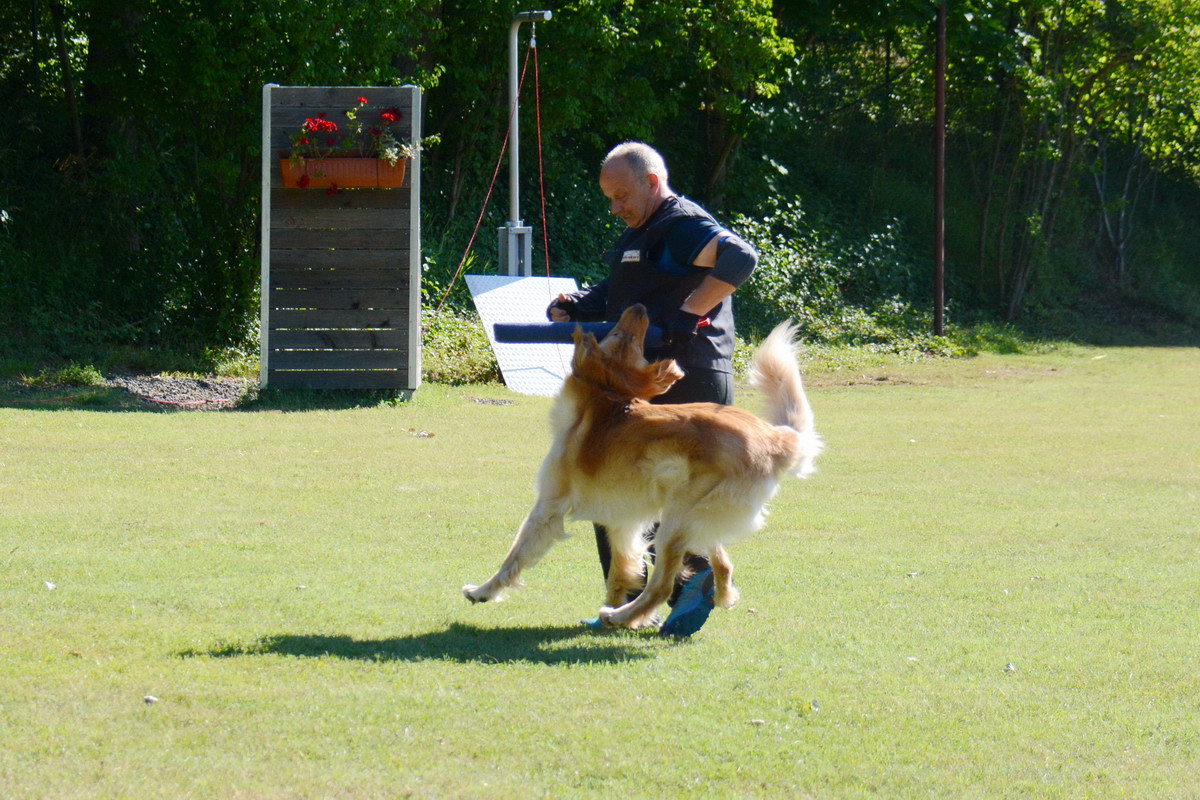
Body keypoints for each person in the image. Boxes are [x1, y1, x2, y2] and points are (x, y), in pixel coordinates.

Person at [547, 142, 758, 636]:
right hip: (643, 381)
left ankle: (685, 586)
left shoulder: (681, 225)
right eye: (609, 198)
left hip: (686, 377)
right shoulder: (639, 235)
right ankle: (629, 602)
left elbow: (740, 259)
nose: (615, 206)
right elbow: (625, 293)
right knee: (617, 487)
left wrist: (688, 315)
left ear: (652, 183)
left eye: (621, 195)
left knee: (644, 490)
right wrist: (578, 303)